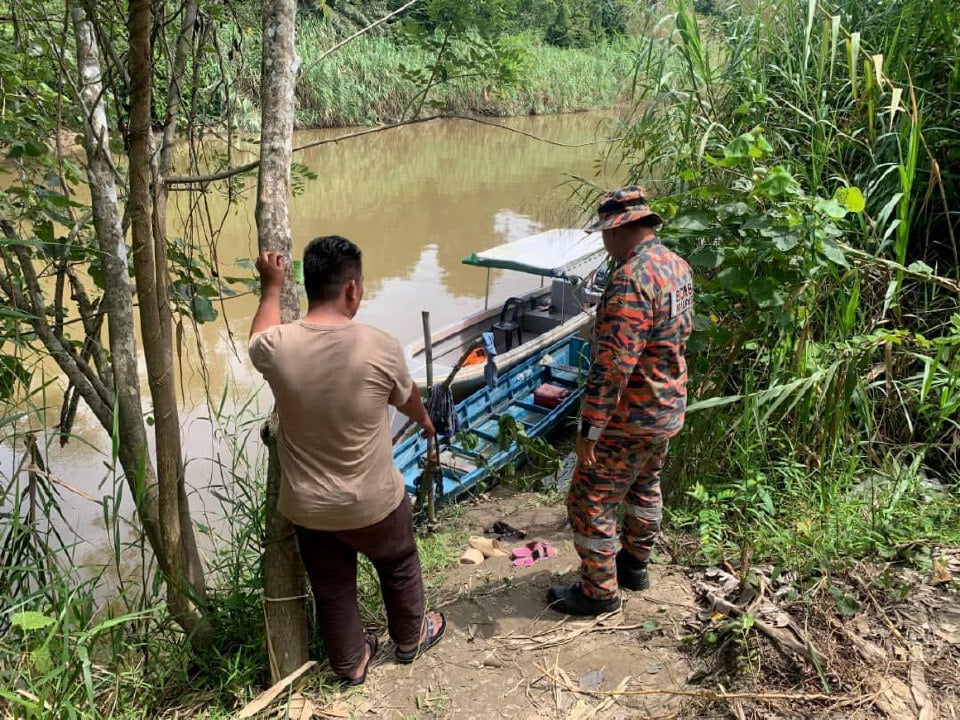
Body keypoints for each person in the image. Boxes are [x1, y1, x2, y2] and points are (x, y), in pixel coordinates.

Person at [248, 236, 445, 685]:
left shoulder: (277, 347)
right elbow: (408, 398)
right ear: (352, 289)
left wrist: (272, 286)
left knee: (332, 586)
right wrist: (425, 420)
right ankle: (411, 637)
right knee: (398, 561)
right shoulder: (381, 346)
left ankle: (351, 663)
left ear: (309, 282)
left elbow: (258, 335)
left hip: (310, 509)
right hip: (373, 503)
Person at [548, 186, 693, 616]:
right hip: (666, 407)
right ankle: (634, 567)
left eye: (606, 234)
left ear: (620, 229)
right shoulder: (677, 266)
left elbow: (612, 367)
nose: (605, 244)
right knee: (645, 487)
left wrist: (589, 430)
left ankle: (599, 593)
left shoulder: (631, 279)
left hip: (628, 418)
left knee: (588, 500)